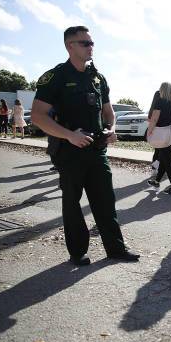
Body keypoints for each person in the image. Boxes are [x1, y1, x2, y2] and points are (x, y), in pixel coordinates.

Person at [31, 25, 139, 266]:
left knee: (105, 200)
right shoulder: (56, 77)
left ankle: (116, 249)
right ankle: (77, 252)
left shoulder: (98, 78)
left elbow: (109, 113)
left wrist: (111, 129)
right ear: (70, 46)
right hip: (69, 151)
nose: (91, 47)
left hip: (96, 151)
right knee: (72, 202)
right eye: (85, 43)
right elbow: (38, 116)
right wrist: (69, 135)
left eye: (92, 43)